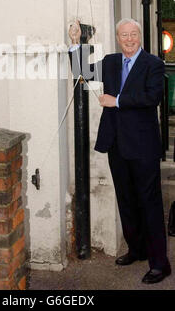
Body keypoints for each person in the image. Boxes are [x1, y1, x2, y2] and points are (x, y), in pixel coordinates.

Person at [69, 18, 171, 284]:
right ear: (118, 38)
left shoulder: (153, 64)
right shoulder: (112, 62)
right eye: (124, 35)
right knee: (126, 200)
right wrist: (76, 42)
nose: (129, 39)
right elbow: (83, 72)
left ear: (140, 36)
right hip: (117, 143)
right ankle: (136, 250)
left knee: (149, 203)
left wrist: (118, 101)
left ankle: (160, 263)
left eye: (133, 34)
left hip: (143, 146)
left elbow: (152, 97)